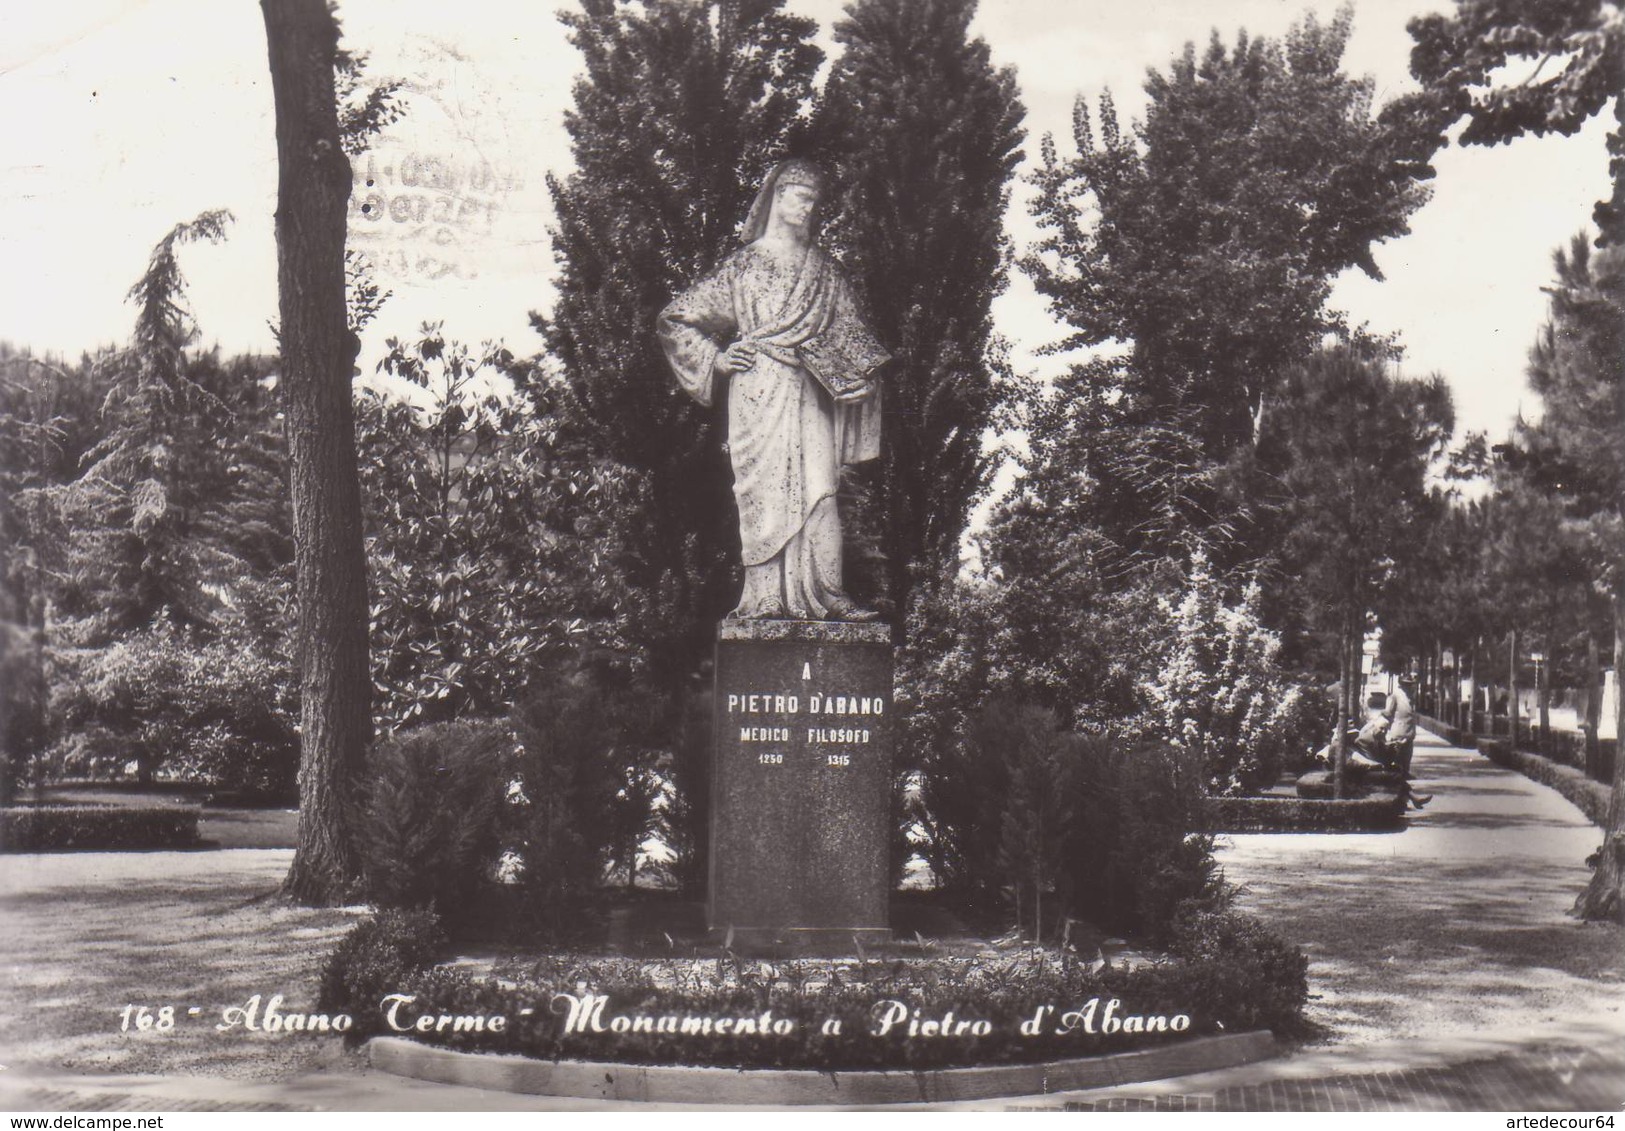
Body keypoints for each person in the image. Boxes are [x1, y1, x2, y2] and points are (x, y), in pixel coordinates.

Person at [658, 159, 889, 621]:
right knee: (762, 493)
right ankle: (765, 597)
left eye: (815, 202)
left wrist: (861, 380)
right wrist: (716, 359)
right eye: (802, 198)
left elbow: (857, 340)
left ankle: (828, 595)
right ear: (778, 197)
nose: (809, 209)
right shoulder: (745, 266)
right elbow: (676, 317)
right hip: (759, 387)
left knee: (822, 491)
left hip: (811, 391)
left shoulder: (825, 272)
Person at [1383, 676, 1431, 809]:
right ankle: (1402, 800)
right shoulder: (1395, 696)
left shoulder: (1410, 698)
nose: (1410, 687)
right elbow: (1387, 713)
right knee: (1398, 770)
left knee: (1405, 770)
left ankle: (1403, 800)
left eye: (1411, 684)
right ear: (1401, 685)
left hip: (1408, 737)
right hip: (1398, 736)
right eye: (1407, 684)